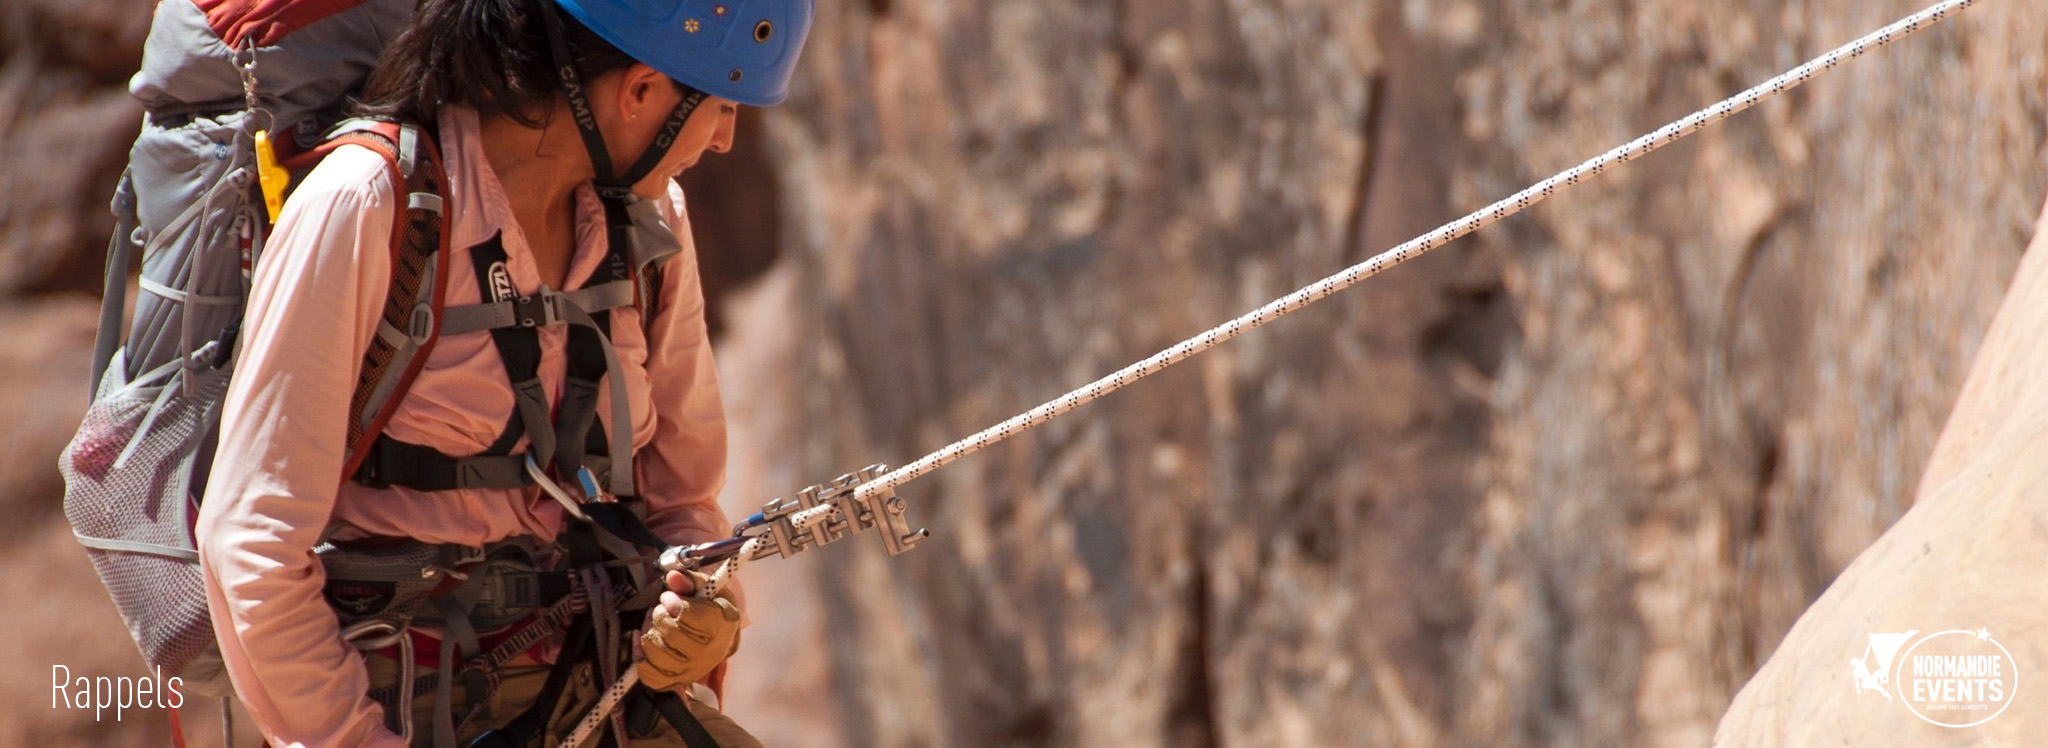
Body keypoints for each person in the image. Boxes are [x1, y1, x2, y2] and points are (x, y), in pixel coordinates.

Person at [193, 0, 812, 746]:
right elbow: (253, 543)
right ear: (640, 90)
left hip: (602, 689)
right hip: (399, 710)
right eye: (720, 107)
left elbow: (683, 501)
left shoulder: (654, 227)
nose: (723, 140)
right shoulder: (366, 204)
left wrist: (707, 611)